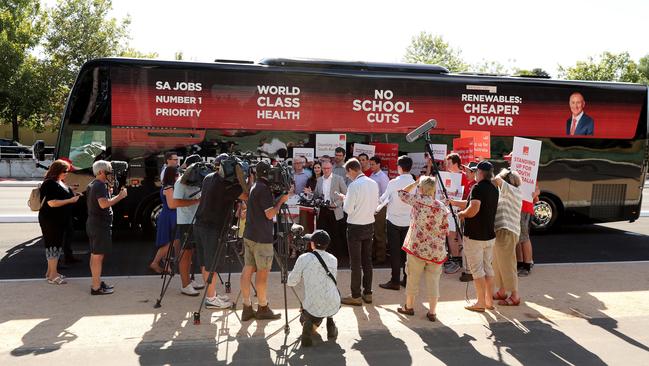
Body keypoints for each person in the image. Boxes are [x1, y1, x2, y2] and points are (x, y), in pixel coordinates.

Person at [240, 161, 290, 321]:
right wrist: (281, 201)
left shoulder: (255, 186)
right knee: (262, 274)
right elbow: (269, 214)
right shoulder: (264, 189)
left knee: (247, 270)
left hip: (250, 235)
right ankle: (263, 307)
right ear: (268, 174)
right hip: (262, 239)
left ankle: (246, 307)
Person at [396, 176, 449, 321]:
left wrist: (414, 183)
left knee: (412, 277)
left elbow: (400, 192)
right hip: (436, 250)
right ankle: (432, 312)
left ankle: (409, 306)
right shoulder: (441, 206)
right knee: (433, 281)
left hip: (417, 247)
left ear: (421, 188)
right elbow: (445, 228)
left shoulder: (417, 201)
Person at [193, 163, 245, 309]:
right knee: (212, 265)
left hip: (200, 225)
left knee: (205, 263)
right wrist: (247, 179)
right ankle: (210, 298)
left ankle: (212, 294)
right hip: (213, 228)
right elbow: (247, 195)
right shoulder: (229, 186)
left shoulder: (208, 178)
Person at [451, 161, 499, 312]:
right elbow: (472, 202)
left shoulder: (477, 187)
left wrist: (462, 214)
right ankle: (488, 301)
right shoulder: (494, 187)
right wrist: (453, 202)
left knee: (477, 271)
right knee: (488, 269)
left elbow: (474, 208)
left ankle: (480, 303)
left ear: (479, 172)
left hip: (475, 236)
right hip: (489, 235)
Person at [287, 230, 340, 347]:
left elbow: (291, 282)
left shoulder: (304, 258)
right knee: (330, 291)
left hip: (313, 306)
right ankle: (330, 325)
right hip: (333, 302)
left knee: (308, 314)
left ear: (312, 244)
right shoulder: (333, 259)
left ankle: (309, 323)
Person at [338, 158, 379, 306]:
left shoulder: (354, 185)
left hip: (355, 227)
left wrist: (345, 199)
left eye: (347, 174)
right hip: (369, 224)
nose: (347, 176)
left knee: (355, 263)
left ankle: (356, 295)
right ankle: (368, 293)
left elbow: (348, 209)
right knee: (367, 261)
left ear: (351, 170)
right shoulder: (373, 183)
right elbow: (375, 205)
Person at [87, 160, 128, 295]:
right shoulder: (99, 185)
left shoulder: (95, 184)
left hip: (95, 224)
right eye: (108, 172)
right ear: (100, 172)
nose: (111, 174)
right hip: (99, 225)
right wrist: (120, 197)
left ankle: (96, 282)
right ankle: (96, 287)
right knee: (98, 256)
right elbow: (104, 204)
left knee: (95, 255)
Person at [38, 160, 80, 285]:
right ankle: (52, 275)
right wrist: (70, 200)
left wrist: (71, 190)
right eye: (65, 171)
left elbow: (60, 194)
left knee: (54, 247)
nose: (67, 174)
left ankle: (50, 273)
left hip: (57, 219)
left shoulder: (58, 181)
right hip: (51, 220)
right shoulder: (50, 183)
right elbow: (51, 203)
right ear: (57, 171)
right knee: (52, 246)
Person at [170, 155, 205, 296]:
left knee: (192, 253)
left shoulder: (199, 180)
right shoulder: (181, 182)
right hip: (186, 222)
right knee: (185, 253)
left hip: (198, 221)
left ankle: (190, 280)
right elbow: (175, 203)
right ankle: (185, 285)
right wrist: (196, 201)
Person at [379, 156, 415, 290]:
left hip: (393, 220)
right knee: (406, 253)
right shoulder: (415, 183)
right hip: (409, 221)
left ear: (399, 167)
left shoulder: (393, 182)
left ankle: (395, 281)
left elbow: (383, 198)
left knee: (394, 253)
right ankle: (406, 279)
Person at [491, 169, 523, 306]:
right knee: (499, 264)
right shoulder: (508, 191)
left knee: (508, 264)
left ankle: (515, 295)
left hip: (507, 231)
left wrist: (497, 174)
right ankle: (502, 291)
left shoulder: (512, 191)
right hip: (503, 231)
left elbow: (497, 180)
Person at [313, 161, 347, 257]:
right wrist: (316, 199)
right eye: (324, 168)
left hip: (335, 210)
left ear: (331, 168)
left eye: (328, 168)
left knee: (336, 234)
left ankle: (338, 257)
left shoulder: (338, 179)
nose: (326, 170)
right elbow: (316, 195)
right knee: (323, 233)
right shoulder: (319, 180)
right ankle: (324, 255)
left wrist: (336, 204)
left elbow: (346, 194)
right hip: (323, 210)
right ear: (322, 169)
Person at [150, 166, 179, 274]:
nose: (178, 176)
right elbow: (172, 205)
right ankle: (155, 263)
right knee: (167, 243)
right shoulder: (169, 188)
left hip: (168, 215)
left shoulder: (167, 186)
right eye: (176, 175)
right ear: (171, 176)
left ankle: (166, 266)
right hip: (169, 216)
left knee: (168, 242)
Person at [443, 153, 466, 274]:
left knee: (458, 236)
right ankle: (455, 259)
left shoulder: (464, 176)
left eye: (449, 163)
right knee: (451, 235)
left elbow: (467, 194)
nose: (447, 165)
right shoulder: (445, 176)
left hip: (460, 211)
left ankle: (458, 260)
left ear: (456, 163)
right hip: (449, 210)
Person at [368, 156, 389, 264]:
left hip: (380, 209)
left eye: (372, 164)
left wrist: (378, 205)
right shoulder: (372, 175)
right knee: (372, 233)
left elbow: (386, 195)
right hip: (372, 208)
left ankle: (381, 258)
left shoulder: (383, 177)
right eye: (370, 164)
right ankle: (373, 256)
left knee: (379, 233)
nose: (371, 166)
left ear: (378, 164)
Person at [517, 184, 540, 276]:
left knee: (524, 237)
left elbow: (536, 195)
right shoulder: (528, 173)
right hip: (521, 207)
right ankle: (521, 263)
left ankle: (527, 265)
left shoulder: (523, 173)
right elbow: (536, 197)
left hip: (523, 208)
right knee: (519, 237)